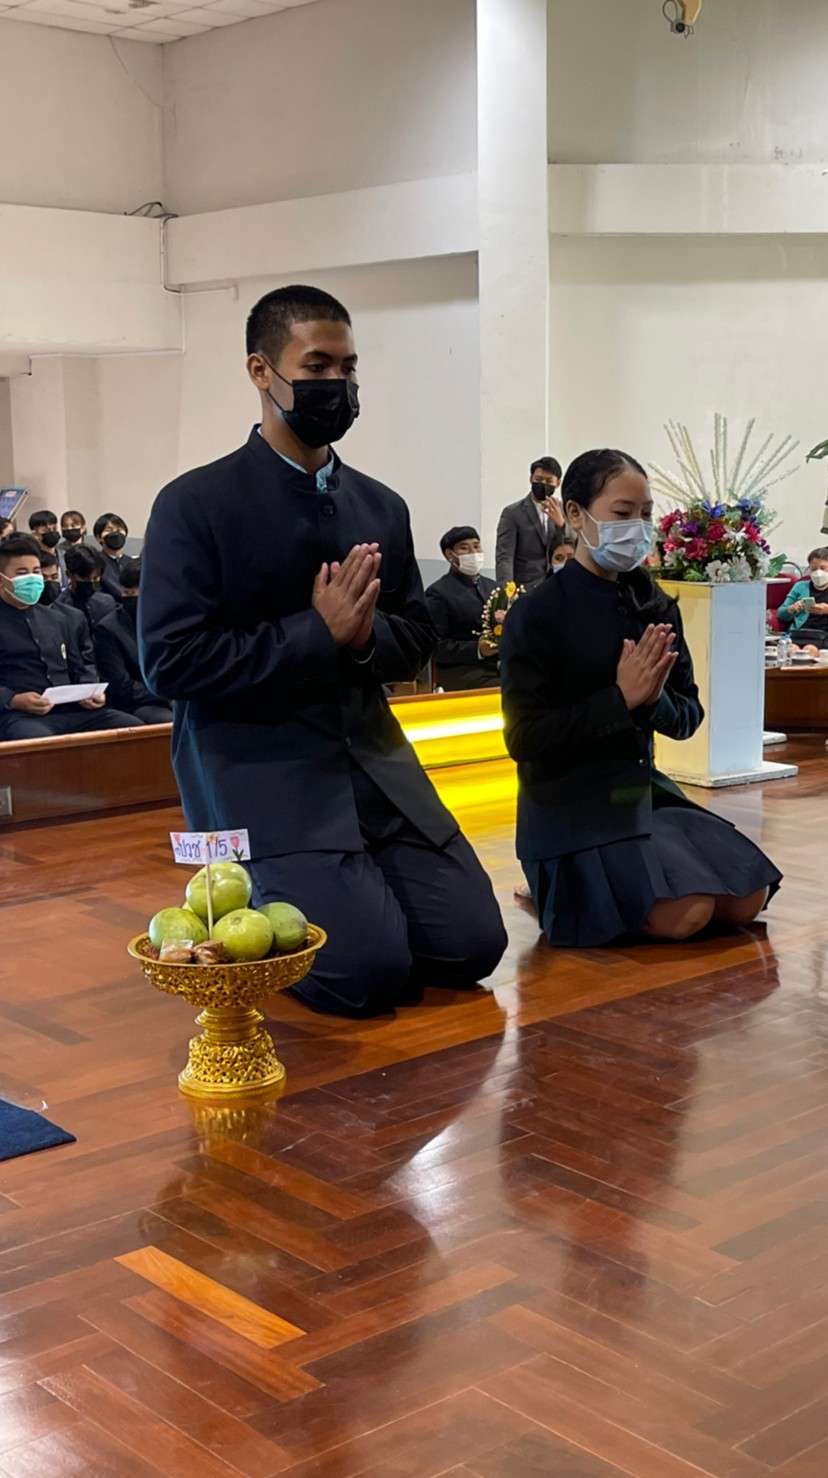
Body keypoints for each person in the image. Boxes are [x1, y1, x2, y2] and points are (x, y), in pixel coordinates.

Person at [140, 283, 506, 1017]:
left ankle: (356, 894)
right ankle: (269, 889)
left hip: (372, 760)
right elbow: (171, 662)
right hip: (260, 770)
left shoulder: (381, 506)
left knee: (474, 946)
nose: (336, 384)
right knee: (363, 976)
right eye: (316, 367)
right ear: (261, 371)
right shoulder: (195, 504)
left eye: (348, 367)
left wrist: (366, 635)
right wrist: (317, 632)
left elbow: (414, 638)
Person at [499, 448, 782, 947]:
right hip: (568, 806)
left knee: (746, 898)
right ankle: (549, 891)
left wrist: (651, 701)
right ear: (575, 515)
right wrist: (619, 699)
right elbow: (525, 740)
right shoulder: (537, 613)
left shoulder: (653, 605)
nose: (637, 527)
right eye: (622, 513)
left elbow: (687, 716)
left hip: (641, 792)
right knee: (688, 914)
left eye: (646, 514)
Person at [0, 534, 141, 741]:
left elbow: (81, 667)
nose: (32, 578)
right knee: (39, 740)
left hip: (72, 709)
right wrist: (13, 700)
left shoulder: (60, 619)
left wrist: (90, 691)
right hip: (19, 715)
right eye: (22, 573)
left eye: (36, 571)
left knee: (131, 728)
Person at [93, 558, 172, 724]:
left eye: (136, 593)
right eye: (126, 593)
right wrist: (167, 694)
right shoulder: (109, 629)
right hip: (140, 702)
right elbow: (121, 686)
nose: (131, 598)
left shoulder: (169, 619)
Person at [425, 525, 500, 692]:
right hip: (461, 670)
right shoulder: (438, 593)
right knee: (503, 690)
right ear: (450, 554)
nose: (473, 552)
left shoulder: (493, 587)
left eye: (476, 546)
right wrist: (477, 649)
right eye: (464, 548)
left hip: (497, 665)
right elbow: (436, 647)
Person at [495, 456, 565, 587]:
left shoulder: (563, 510)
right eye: (538, 479)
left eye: (549, 480)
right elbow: (505, 557)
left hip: (557, 584)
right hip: (525, 587)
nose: (543, 484)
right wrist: (506, 592)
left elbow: (574, 547)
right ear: (531, 479)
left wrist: (561, 525)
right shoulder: (512, 513)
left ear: (558, 483)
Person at [779, 546, 828, 655]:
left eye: (823, 568)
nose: (818, 572)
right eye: (814, 569)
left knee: (809, 650)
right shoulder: (800, 586)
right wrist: (792, 609)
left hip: (827, 637)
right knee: (791, 649)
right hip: (800, 634)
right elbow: (781, 613)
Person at [59, 545, 117, 631]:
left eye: (95, 578)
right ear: (69, 574)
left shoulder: (107, 603)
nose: (91, 582)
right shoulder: (59, 608)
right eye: (85, 579)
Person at [93, 513, 129, 599]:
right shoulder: (95, 562)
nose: (115, 533)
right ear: (99, 537)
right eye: (109, 530)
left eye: (119, 530)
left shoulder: (132, 563)